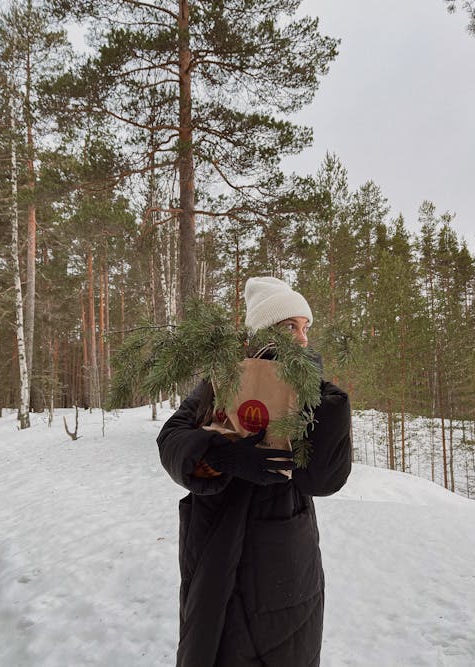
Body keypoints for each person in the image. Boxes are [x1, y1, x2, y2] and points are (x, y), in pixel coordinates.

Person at [157, 276, 352, 667]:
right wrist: (221, 455)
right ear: (262, 333)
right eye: (289, 327)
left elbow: (325, 479)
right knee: (214, 643)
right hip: (215, 538)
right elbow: (171, 438)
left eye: (304, 328)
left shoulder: (311, 392)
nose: (301, 338)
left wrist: (323, 397)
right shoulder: (223, 380)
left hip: (282, 554)